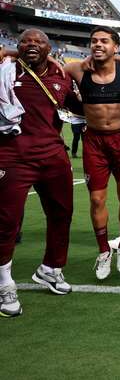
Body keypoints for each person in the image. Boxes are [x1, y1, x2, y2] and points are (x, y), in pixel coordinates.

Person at [0, 29, 81, 317]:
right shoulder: (6, 70)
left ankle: (51, 268)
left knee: (62, 213)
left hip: (53, 155)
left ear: (49, 49)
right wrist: (7, 53)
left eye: (38, 42)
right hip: (13, 154)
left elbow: (77, 108)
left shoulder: (61, 76)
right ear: (16, 47)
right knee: (6, 220)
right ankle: (4, 282)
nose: (31, 45)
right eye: (25, 41)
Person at [63, 26, 120, 279]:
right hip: (94, 141)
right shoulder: (76, 69)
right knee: (97, 199)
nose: (97, 45)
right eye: (94, 41)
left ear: (115, 46)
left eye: (104, 41)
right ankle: (104, 251)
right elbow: (48, 70)